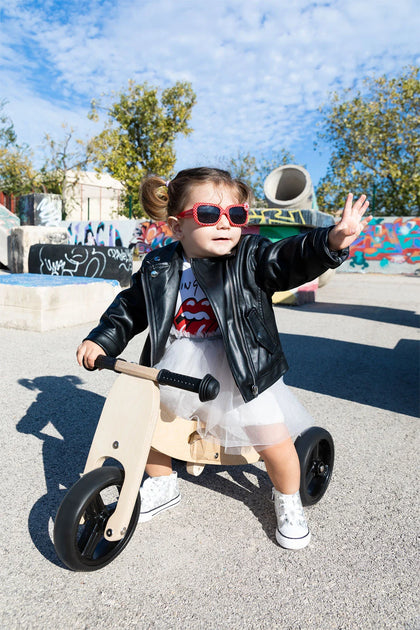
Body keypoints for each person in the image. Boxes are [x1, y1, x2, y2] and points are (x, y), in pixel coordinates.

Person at [77, 167, 371, 550]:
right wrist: (102, 339)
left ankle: (287, 497)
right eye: (208, 215)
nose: (225, 225)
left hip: (240, 364)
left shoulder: (249, 256)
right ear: (176, 226)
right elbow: (129, 309)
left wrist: (331, 241)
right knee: (149, 428)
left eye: (235, 215)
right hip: (176, 363)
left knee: (273, 441)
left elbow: (288, 258)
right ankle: (163, 483)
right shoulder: (158, 265)